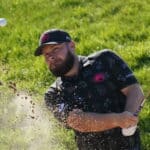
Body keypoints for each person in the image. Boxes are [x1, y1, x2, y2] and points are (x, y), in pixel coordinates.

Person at [34, 29, 144, 150]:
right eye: (46, 54)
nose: (51, 57)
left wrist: (128, 116)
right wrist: (118, 120)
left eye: (56, 49)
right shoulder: (54, 94)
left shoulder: (105, 60)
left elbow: (133, 89)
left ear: (71, 45)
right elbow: (79, 122)